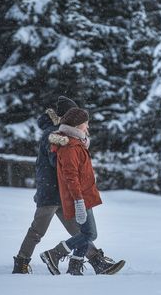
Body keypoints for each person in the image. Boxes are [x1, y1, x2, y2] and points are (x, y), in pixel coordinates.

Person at [12, 97, 124, 275]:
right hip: (50, 192)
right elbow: (60, 163)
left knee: (80, 231)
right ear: (66, 117)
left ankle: (97, 262)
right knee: (37, 231)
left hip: (65, 193)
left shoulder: (65, 135)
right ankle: (22, 263)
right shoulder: (55, 135)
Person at [40, 107, 110, 276]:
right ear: (77, 126)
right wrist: (78, 201)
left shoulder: (76, 143)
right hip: (79, 197)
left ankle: (75, 266)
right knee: (90, 233)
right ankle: (54, 253)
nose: (87, 128)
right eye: (85, 124)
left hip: (85, 194)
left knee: (85, 233)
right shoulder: (70, 147)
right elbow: (70, 177)